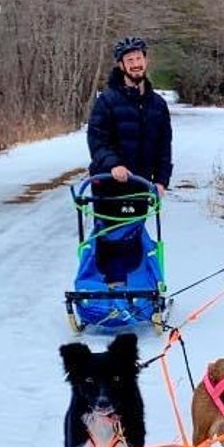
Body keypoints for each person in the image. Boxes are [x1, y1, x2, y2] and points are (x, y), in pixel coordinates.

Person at [85, 36, 173, 283]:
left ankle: (136, 287)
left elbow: (164, 147)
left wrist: (162, 180)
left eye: (139, 58)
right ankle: (108, 292)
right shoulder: (107, 101)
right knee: (110, 237)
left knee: (134, 237)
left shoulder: (157, 104)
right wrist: (113, 164)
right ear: (121, 65)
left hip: (141, 184)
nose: (135, 64)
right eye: (130, 60)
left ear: (146, 61)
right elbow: (97, 140)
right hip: (109, 184)